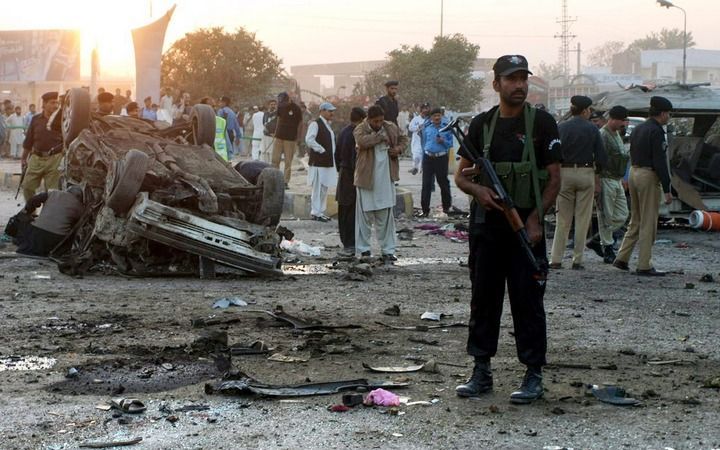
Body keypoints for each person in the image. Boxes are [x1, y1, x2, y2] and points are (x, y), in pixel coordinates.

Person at [453, 55, 561, 404]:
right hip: (487, 229)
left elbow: (554, 179)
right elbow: (461, 175)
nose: (519, 85)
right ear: (496, 84)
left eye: (523, 78)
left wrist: (534, 220)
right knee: (483, 299)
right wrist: (478, 190)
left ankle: (533, 374)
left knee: (528, 301)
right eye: (511, 79)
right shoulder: (482, 125)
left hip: (524, 230)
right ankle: (481, 370)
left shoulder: (543, 123)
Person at [613, 96, 674, 276]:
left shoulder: (639, 129)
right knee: (648, 221)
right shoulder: (656, 131)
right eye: (668, 114)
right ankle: (644, 264)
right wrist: (667, 188)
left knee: (636, 219)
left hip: (634, 172)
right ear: (662, 113)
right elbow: (660, 161)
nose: (669, 117)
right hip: (648, 175)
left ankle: (622, 258)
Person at [549, 95, 606, 270]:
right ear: (584, 111)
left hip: (564, 173)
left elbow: (553, 153)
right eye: (589, 110)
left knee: (563, 219)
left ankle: (556, 259)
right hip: (585, 173)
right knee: (582, 219)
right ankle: (577, 260)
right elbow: (602, 158)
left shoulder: (561, 127)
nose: (590, 113)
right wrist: (597, 178)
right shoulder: (593, 129)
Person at [353, 105, 407, 264]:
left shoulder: (390, 127)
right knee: (364, 218)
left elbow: (404, 139)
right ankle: (364, 250)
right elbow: (362, 142)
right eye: (376, 121)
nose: (379, 123)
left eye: (381, 120)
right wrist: (379, 137)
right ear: (369, 120)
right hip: (366, 180)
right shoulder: (360, 129)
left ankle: (388, 251)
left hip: (386, 179)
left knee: (386, 218)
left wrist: (398, 149)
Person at [586, 106, 630, 264]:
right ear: (613, 119)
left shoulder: (616, 134)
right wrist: (597, 182)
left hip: (616, 180)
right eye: (622, 120)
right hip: (605, 179)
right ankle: (608, 248)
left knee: (622, 214)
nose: (624, 124)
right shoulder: (603, 135)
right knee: (605, 215)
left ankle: (597, 240)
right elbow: (597, 160)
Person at [12, 186, 84, 256]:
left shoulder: (54, 193)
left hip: (36, 234)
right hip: (56, 240)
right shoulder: (80, 207)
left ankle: (20, 241)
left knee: (21, 217)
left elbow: (33, 200)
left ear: (68, 191)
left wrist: (28, 212)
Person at [20, 92, 64, 201]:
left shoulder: (63, 120)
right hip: (36, 158)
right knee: (27, 187)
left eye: (57, 103)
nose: (55, 105)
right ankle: (31, 213)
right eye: (52, 103)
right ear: (44, 104)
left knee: (52, 191)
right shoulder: (36, 119)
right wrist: (23, 158)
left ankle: (46, 215)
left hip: (55, 159)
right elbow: (28, 140)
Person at [335, 107, 366, 254]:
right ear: (361, 120)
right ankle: (350, 242)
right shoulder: (355, 134)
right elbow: (354, 159)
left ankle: (347, 241)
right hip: (351, 174)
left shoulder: (343, 132)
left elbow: (337, 155)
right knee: (351, 210)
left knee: (344, 210)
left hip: (343, 173)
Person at [305, 102, 338, 221]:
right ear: (322, 111)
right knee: (317, 187)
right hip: (318, 161)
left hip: (327, 161)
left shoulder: (327, 125)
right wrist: (321, 150)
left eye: (332, 111)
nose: (332, 113)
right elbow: (309, 140)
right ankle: (315, 212)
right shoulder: (315, 124)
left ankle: (320, 211)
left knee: (324, 187)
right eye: (330, 111)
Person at [420, 107, 453, 217]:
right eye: (435, 116)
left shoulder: (447, 128)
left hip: (441, 158)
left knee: (443, 183)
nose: (437, 117)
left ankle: (446, 208)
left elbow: (450, 144)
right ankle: (425, 210)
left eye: (439, 115)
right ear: (431, 118)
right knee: (426, 184)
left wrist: (443, 141)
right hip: (428, 158)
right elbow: (424, 141)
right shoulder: (427, 128)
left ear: (441, 116)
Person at [272, 92, 303, 184]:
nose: (282, 104)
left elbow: (300, 123)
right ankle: (275, 179)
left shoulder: (296, 108)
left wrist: (298, 137)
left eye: (284, 102)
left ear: (288, 99)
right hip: (279, 137)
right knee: (275, 159)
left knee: (288, 161)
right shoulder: (280, 107)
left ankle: (285, 181)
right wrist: (275, 132)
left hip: (290, 138)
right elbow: (278, 119)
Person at [408, 103, 430, 175]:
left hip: (425, 141)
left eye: (426, 109)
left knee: (424, 156)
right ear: (421, 111)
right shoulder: (416, 119)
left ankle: (421, 169)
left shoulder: (429, 120)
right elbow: (410, 128)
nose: (425, 111)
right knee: (416, 155)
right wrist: (418, 128)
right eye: (424, 109)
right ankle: (415, 167)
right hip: (417, 141)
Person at [260, 99, 277, 164]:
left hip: (273, 136)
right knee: (264, 152)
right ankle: (265, 165)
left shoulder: (278, 114)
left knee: (272, 153)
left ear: (276, 105)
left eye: (274, 104)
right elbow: (264, 122)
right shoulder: (266, 113)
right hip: (266, 135)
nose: (273, 106)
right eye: (271, 104)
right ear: (269, 105)